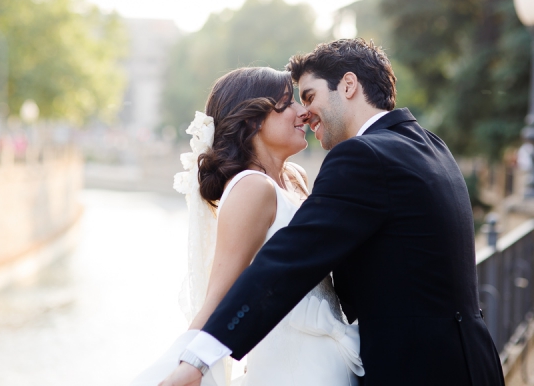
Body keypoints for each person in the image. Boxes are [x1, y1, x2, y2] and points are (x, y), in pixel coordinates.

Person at [160, 38, 505, 386]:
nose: (305, 111)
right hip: (472, 362)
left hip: (418, 372)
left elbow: (288, 262)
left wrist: (200, 357)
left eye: (309, 96)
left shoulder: (363, 156)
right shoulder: (429, 145)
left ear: (349, 85)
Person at [131, 67, 363, 386]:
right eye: (287, 103)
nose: (303, 111)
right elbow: (221, 295)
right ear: (253, 120)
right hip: (292, 370)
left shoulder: (295, 178)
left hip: (331, 358)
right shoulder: (251, 188)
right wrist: (188, 365)